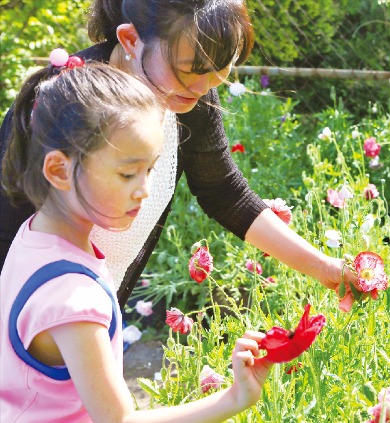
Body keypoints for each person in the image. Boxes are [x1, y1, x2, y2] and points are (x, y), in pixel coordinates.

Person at [0, 0, 356, 308]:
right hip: (32, 317)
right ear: (130, 40)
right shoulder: (66, 102)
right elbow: (7, 226)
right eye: (189, 70)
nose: (202, 89)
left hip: (93, 311)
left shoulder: (190, 101)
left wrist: (324, 267)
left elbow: (224, 193)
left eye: (221, 70)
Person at [0, 57, 271, 421]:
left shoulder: (33, 238)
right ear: (59, 170)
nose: (144, 190)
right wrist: (234, 398)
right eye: (128, 173)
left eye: (150, 169)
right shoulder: (73, 300)